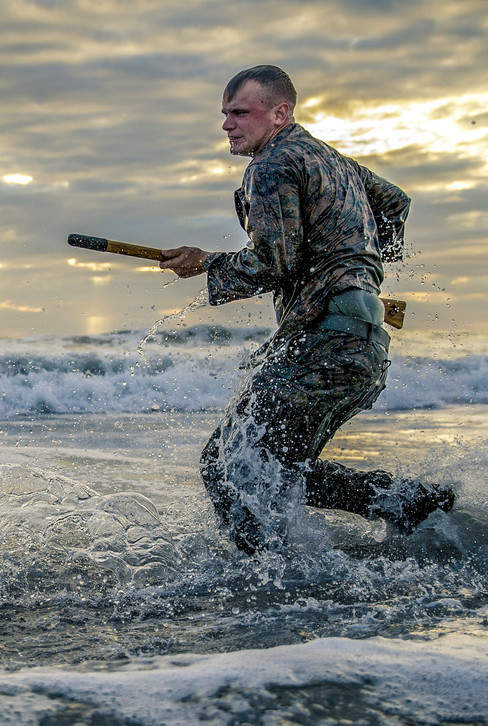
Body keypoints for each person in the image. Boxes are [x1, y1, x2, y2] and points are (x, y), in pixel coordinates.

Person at [160, 65, 454, 553]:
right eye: (224, 115)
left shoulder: (271, 165)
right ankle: (408, 502)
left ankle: (263, 582)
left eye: (239, 113)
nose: (228, 125)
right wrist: (360, 267)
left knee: (227, 464)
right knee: (283, 468)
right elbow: (396, 204)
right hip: (364, 342)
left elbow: (272, 260)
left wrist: (206, 263)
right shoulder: (333, 160)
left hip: (324, 341)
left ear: (280, 112)